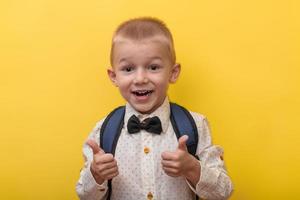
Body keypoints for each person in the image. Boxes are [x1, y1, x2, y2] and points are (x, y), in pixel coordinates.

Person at [76, 17, 233, 200]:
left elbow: (223, 192)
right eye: (128, 69)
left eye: (153, 67)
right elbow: (84, 195)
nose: (140, 78)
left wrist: (192, 168)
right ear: (114, 76)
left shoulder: (195, 125)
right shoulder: (103, 130)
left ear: (173, 73)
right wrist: (96, 174)